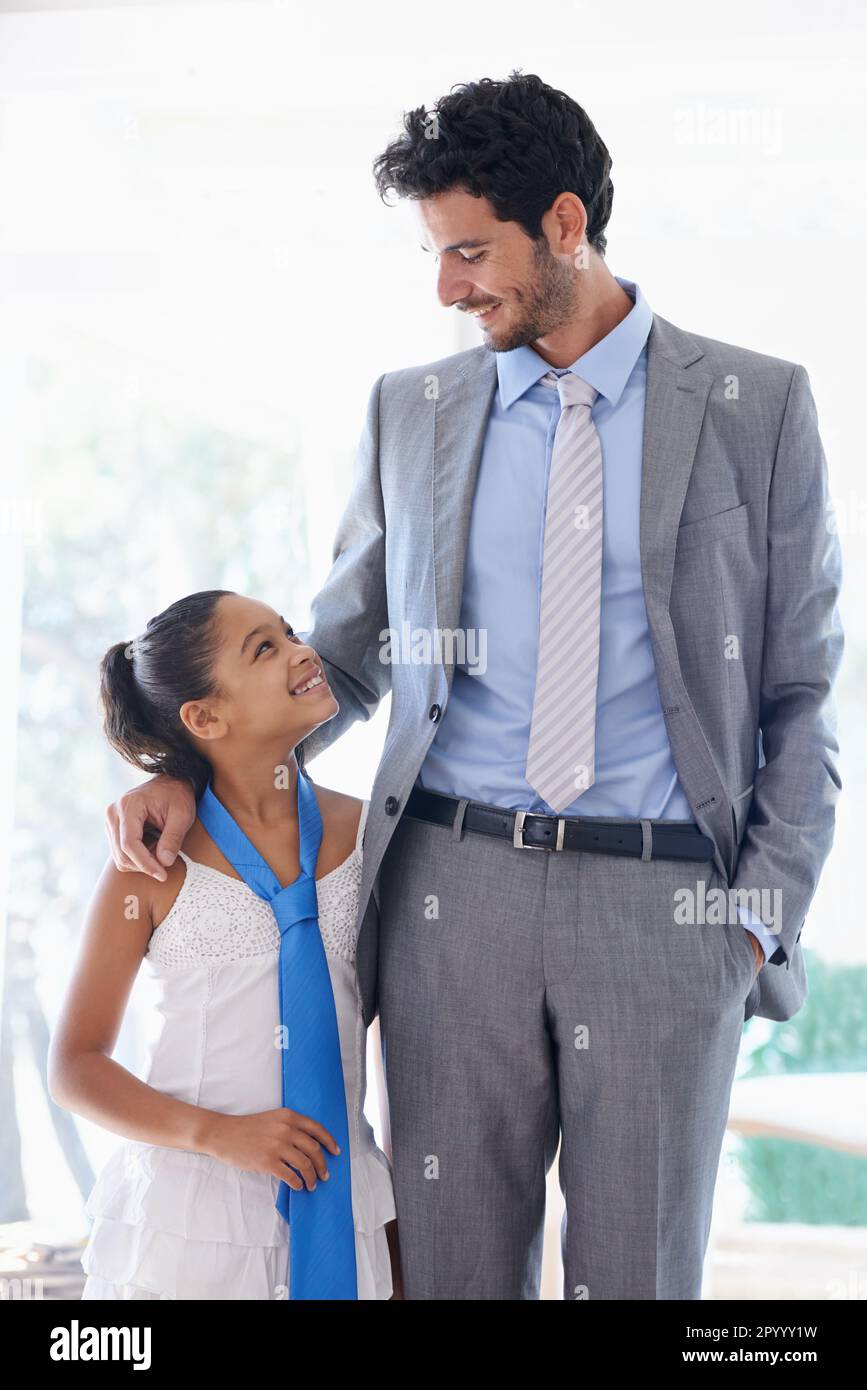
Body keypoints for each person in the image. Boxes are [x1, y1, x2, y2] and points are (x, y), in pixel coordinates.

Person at [102, 72, 844, 1299]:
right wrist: (192, 778)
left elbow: (803, 691)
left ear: (564, 224)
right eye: (437, 257)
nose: (448, 288)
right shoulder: (416, 411)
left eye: (468, 252)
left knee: (641, 1280)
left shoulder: (755, 406)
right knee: (448, 1274)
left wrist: (755, 916)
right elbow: (338, 657)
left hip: (667, 907)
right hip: (455, 894)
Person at [48, 589, 402, 1300]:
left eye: (288, 632)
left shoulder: (374, 836)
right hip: (191, 1225)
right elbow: (75, 1067)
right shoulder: (148, 864)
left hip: (343, 1203)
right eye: (263, 649)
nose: (304, 650)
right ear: (205, 717)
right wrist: (221, 1135)